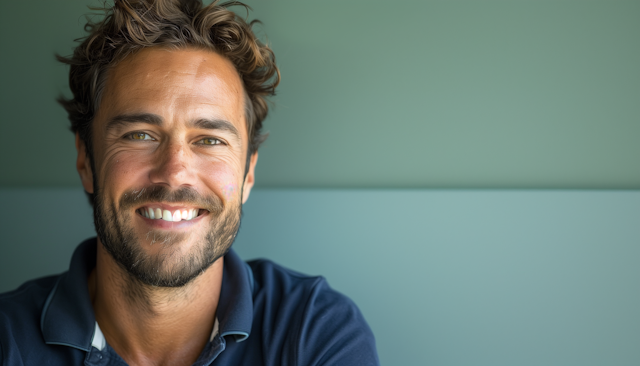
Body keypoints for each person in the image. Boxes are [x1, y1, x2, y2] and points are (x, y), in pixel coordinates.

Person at [0, 1, 379, 365]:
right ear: (86, 159)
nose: (175, 172)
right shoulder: (8, 339)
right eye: (139, 135)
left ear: (248, 173)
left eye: (210, 140)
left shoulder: (315, 332)